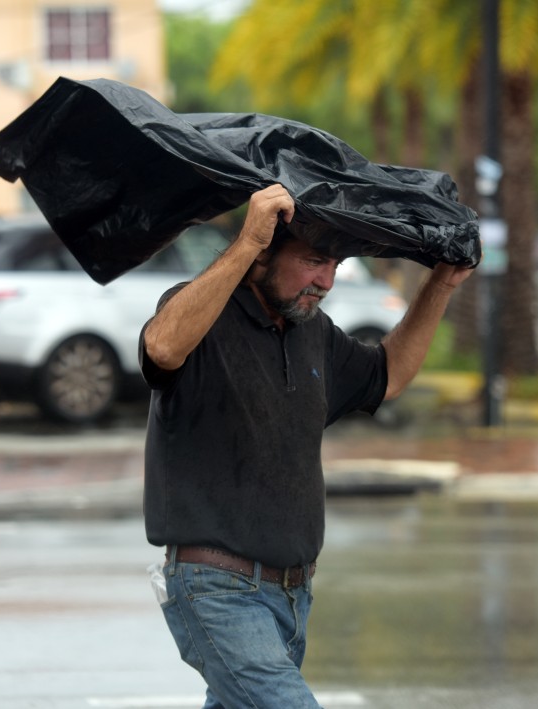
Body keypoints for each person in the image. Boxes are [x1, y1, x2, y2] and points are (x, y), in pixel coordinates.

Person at [139, 184, 474, 708]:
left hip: (291, 597)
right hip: (216, 591)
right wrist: (248, 237)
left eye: (334, 265)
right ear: (262, 258)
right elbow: (160, 346)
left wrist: (441, 286)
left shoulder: (312, 332)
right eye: (314, 261)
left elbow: (387, 376)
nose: (326, 281)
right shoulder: (205, 316)